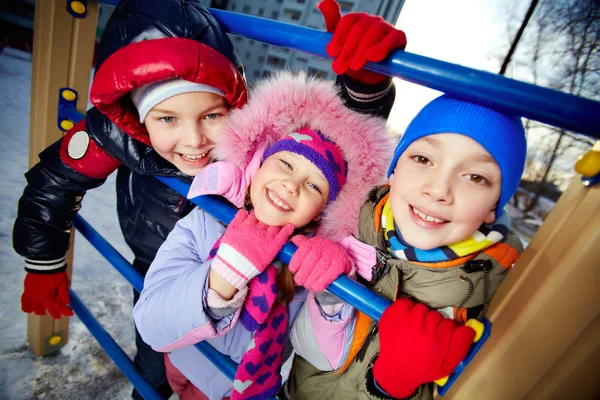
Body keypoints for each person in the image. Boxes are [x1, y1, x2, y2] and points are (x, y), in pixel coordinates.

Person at [132, 70, 394, 400]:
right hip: (182, 357)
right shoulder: (206, 222)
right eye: (285, 164)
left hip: (231, 388)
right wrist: (226, 274)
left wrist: (333, 291)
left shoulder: (308, 259)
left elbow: (321, 354)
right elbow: (151, 322)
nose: (291, 185)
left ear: (325, 209)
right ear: (259, 163)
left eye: (315, 185)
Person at [287, 90, 527, 399]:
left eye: (475, 177)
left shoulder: (497, 297)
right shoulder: (353, 217)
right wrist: (365, 85)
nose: (439, 190)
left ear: (496, 204)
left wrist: (389, 387)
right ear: (395, 168)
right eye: (423, 158)